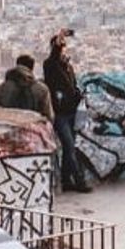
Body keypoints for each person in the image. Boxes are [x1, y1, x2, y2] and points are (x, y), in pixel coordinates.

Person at [43, 30, 93, 194]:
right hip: (60, 114)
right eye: (62, 48)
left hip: (72, 111)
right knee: (70, 146)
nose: (64, 50)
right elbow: (54, 56)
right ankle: (79, 181)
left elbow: (71, 87)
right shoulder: (50, 65)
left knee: (68, 148)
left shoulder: (68, 66)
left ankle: (66, 181)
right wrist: (60, 36)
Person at [0, 54, 54, 120]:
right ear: (32, 68)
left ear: (17, 65)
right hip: (32, 128)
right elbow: (49, 116)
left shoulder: (5, 87)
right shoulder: (42, 89)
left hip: (11, 125)